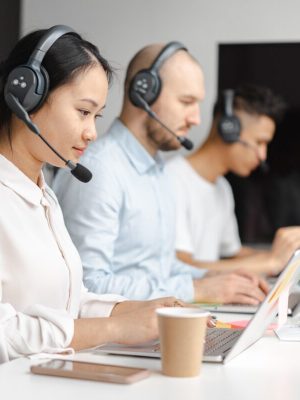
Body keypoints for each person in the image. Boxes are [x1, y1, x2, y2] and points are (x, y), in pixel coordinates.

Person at [0, 25, 187, 364]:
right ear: (27, 95)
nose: (92, 132)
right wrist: (114, 329)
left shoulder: (42, 193)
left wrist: (131, 310)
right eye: (83, 112)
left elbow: (64, 301)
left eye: (96, 116)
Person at [53, 43, 268, 305]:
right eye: (186, 102)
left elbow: (161, 268)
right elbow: (87, 285)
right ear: (144, 91)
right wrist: (196, 291)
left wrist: (214, 277)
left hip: (152, 330)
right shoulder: (100, 170)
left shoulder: (158, 170)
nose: (196, 119)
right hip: (110, 341)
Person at [166, 84, 300, 276]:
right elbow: (181, 267)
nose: (263, 156)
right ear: (229, 129)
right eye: (259, 142)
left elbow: (233, 254)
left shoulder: (222, 188)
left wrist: (285, 256)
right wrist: (270, 263)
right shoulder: (173, 179)